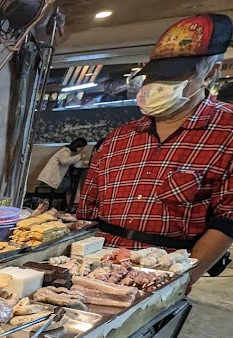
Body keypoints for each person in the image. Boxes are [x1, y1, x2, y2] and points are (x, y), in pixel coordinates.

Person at [78, 13, 233, 283]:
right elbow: (87, 210)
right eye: (154, 77)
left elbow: (226, 220)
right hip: (98, 265)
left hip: (167, 267)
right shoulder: (119, 139)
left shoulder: (226, 131)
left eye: (177, 75)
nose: (157, 86)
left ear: (211, 72)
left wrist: (183, 280)